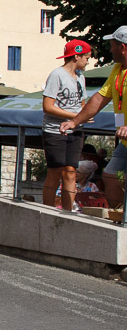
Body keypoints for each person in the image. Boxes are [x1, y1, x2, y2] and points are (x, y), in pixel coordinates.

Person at [62, 27, 127, 210]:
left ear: (122, 47)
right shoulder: (117, 69)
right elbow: (99, 98)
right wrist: (75, 121)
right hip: (125, 141)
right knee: (110, 176)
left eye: (112, 45)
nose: (110, 49)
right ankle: (120, 219)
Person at [42, 39, 91, 210]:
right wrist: (76, 116)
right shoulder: (57, 75)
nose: (88, 61)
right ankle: (47, 211)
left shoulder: (80, 77)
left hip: (76, 130)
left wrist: (83, 116)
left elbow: (82, 104)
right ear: (77, 56)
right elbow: (47, 106)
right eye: (86, 57)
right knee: (55, 172)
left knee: (70, 172)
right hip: (55, 131)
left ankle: (68, 212)